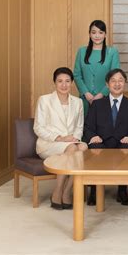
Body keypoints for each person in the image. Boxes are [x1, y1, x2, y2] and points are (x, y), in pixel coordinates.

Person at [83, 68, 128, 206]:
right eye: (113, 81)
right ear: (107, 84)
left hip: (122, 141)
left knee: (127, 147)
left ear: (125, 83)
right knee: (94, 147)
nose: (117, 84)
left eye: (120, 80)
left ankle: (122, 190)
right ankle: (95, 190)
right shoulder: (97, 104)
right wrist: (93, 137)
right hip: (102, 141)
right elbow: (88, 126)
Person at [33, 67, 88, 210]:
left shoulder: (78, 102)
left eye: (67, 81)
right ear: (54, 83)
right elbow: (38, 127)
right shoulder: (44, 100)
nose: (64, 85)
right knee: (73, 148)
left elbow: (79, 127)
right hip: (49, 143)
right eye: (60, 81)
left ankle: (66, 190)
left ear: (72, 83)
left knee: (83, 147)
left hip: (71, 142)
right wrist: (59, 138)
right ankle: (58, 191)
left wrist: (74, 138)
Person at [73, 20, 120, 116]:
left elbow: (115, 76)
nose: (97, 36)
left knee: (103, 128)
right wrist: (86, 93)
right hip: (85, 98)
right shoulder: (82, 51)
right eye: (94, 32)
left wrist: (102, 94)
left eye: (100, 32)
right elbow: (77, 74)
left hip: (105, 98)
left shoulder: (112, 52)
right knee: (84, 127)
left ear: (105, 35)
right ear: (89, 34)